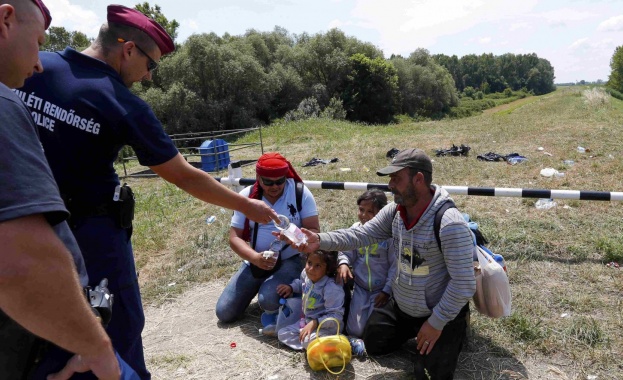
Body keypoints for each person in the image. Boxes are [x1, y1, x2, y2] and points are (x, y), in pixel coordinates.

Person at [17, 5, 278, 379]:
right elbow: (184, 176)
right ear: (128, 51)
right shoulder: (123, 103)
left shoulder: (31, 67)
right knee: (116, 327)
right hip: (93, 240)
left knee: (41, 330)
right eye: (151, 64)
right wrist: (246, 205)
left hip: (23, 231)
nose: (150, 77)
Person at [0, 0, 131, 378]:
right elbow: (23, 260)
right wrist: (95, 346)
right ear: (6, 20)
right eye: (38, 41)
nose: (39, 62)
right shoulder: (4, 103)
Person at [288, 148, 476, 379]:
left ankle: (453, 328)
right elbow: (359, 236)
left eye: (396, 178)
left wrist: (436, 323)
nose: (390, 184)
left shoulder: (449, 223)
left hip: (435, 311)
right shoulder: (395, 212)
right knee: (374, 342)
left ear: (418, 180)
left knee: (428, 374)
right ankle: (418, 334)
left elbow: (464, 283)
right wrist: (318, 241)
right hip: (403, 308)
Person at [215, 152, 320, 325]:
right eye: (268, 182)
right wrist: (254, 258)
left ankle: (283, 290)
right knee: (224, 312)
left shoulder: (300, 192)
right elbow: (234, 238)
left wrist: (294, 238)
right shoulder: (247, 196)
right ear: (258, 177)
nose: (275, 186)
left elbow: (314, 230)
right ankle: (263, 284)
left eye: (280, 181)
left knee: (268, 300)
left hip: (291, 258)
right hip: (257, 259)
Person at [337, 190, 396, 347]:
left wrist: (387, 290)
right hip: (361, 288)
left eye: (370, 211)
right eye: (361, 210)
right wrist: (343, 263)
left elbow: (395, 266)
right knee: (354, 331)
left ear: (382, 213)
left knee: (372, 331)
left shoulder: (389, 236)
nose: (364, 215)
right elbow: (346, 250)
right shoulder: (356, 230)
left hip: (381, 291)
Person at [276, 250, 345, 350]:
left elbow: (336, 317)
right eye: (309, 263)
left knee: (306, 342)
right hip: (307, 321)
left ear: (328, 269)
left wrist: (315, 323)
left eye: (318, 266)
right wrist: (291, 287)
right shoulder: (306, 274)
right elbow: (302, 284)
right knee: (282, 334)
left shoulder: (331, 288)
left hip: (327, 328)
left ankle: (337, 342)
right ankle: (316, 346)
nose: (311, 269)